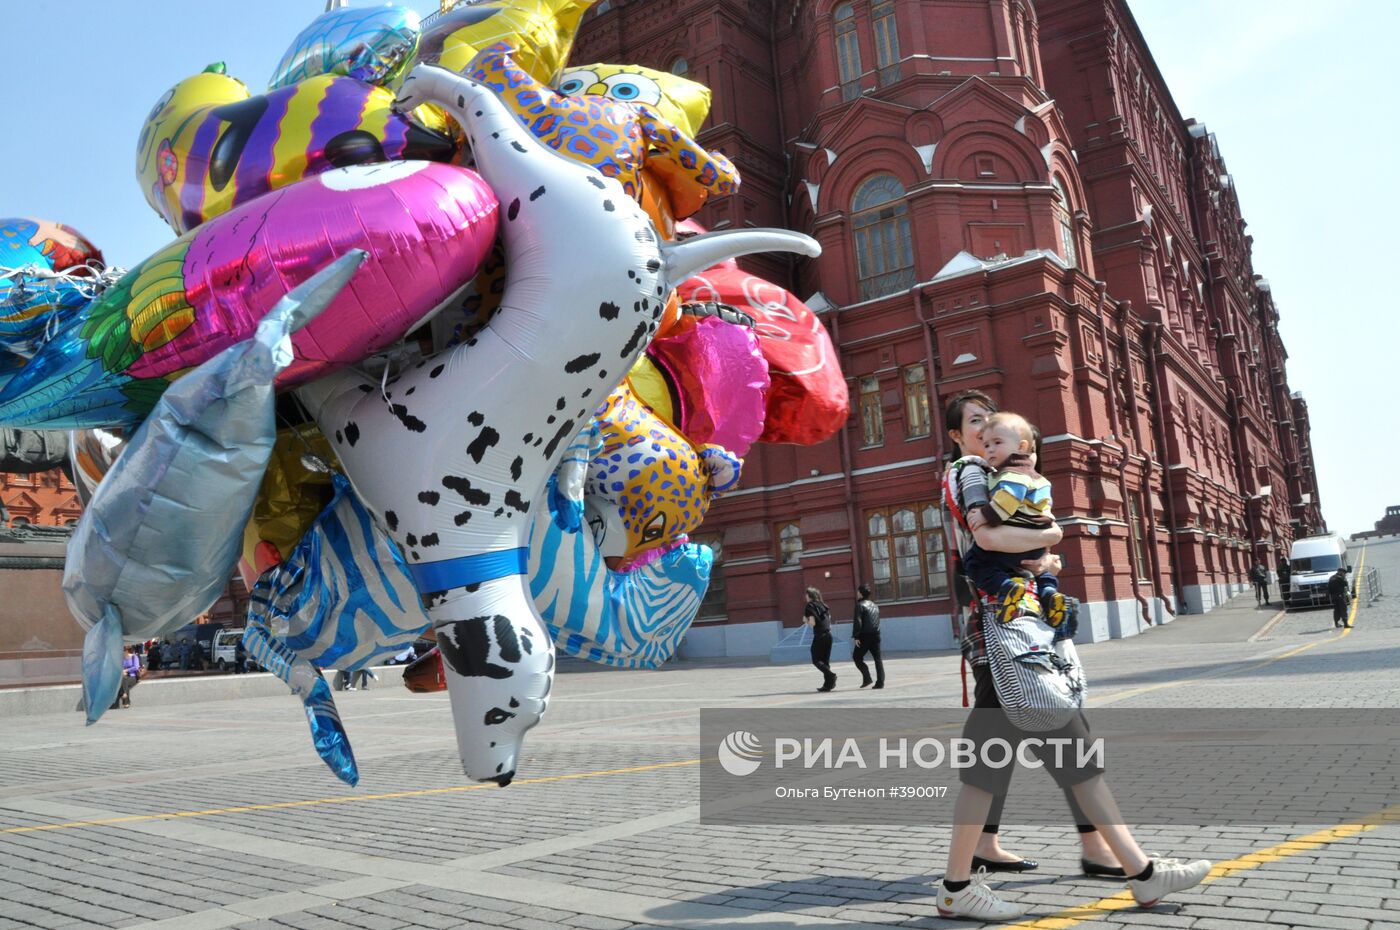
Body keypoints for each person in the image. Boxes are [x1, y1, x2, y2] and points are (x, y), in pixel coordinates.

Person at [937, 392, 1210, 919]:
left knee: (1000, 761)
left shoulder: (999, 473)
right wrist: (1053, 534)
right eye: (976, 424)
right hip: (1005, 634)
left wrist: (1042, 552)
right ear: (957, 436)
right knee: (1068, 751)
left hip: (1019, 631)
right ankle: (1139, 872)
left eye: (995, 425)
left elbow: (1019, 543)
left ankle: (961, 883)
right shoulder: (970, 472)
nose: (986, 431)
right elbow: (988, 533)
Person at [958, 411, 1072, 628]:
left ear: (1021, 447)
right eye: (987, 444)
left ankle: (1005, 588)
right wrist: (1050, 536)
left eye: (997, 443)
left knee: (975, 562)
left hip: (1009, 542)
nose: (989, 449)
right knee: (1041, 572)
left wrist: (984, 515)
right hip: (1036, 544)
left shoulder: (1012, 474)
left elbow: (1007, 501)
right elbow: (1049, 516)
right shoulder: (1039, 479)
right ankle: (1049, 593)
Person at [851, 584, 884, 689]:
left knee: (857, 657)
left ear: (861, 593)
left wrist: (856, 636)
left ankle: (867, 677)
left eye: (858, 592)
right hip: (876, 635)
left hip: (865, 636)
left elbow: (858, 621)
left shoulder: (860, 605)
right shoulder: (875, 605)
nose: (857, 593)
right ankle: (880, 682)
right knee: (878, 659)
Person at [803, 587, 836, 692]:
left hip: (820, 635)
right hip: (829, 635)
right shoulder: (824, 605)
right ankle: (828, 685)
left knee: (816, 659)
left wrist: (806, 620)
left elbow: (813, 623)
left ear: (810, 596)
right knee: (825, 661)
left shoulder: (809, 606)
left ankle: (831, 676)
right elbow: (829, 620)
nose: (805, 596)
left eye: (806, 594)